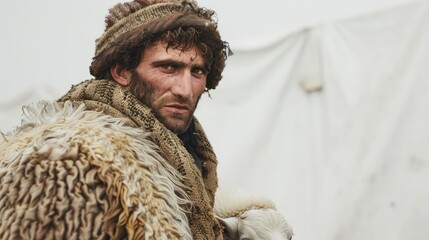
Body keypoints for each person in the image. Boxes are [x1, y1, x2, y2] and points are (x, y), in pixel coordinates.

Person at [0, 0, 231, 239]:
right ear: (121, 71)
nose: (185, 89)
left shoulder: (187, 168)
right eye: (169, 67)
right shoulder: (64, 164)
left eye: (197, 72)